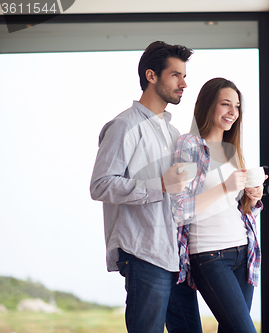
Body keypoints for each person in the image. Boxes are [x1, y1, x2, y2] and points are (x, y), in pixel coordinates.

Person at [90, 41, 203, 333]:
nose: (184, 84)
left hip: (175, 256)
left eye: (185, 76)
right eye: (176, 75)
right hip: (144, 254)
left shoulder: (173, 132)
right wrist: (161, 185)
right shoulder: (123, 127)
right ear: (151, 76)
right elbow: (101, 185)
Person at [171, 78, 265, 333]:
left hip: (243, 251)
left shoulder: (232, 150)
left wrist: (253, 198)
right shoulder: (189, 145)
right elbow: (179, 209)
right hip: (209, 255)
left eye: (236, 106)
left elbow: (235, 208)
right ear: (207, 105)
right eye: (226, 104)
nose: (233, 112)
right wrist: (226, 186)